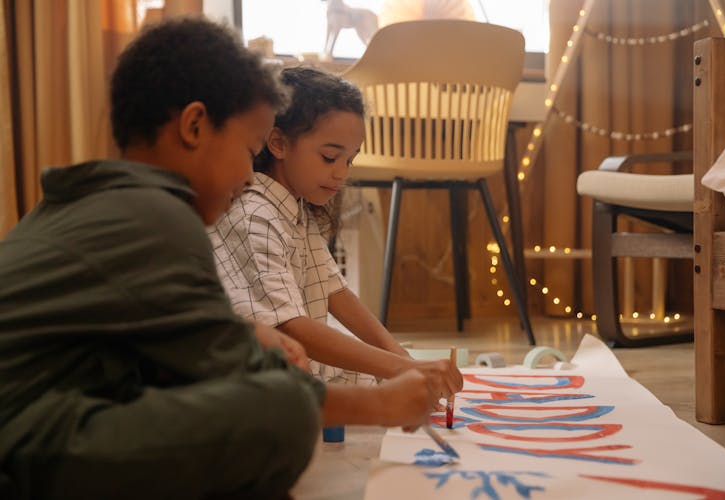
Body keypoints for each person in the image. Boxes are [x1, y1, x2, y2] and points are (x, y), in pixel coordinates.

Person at [0, 17, 438, 500]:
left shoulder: (103, 200)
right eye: (249, 150)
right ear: (193, 127)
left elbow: (150, 331)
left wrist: (247, 337)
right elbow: (234, 380)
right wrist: (378, 404)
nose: (250, 178)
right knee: (276, 419)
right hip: (21, 441)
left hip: (36, 415)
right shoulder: (159, 216)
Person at [209, 67, 463, 397]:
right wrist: (404, 369)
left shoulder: (294, 208)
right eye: (329, 157)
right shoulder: (255, 215)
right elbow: (291, 327)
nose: (341, 173)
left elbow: (336, 293)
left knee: (373, 382)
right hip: (252, 386)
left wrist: (403, 360)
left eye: (350, 160)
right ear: (278, 143)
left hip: (293, 372)